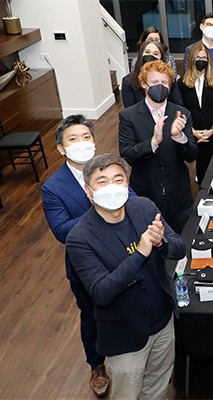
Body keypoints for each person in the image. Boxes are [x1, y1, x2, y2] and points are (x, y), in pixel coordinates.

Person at [66, 153, 186, 399]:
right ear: (89, 191)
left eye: (118, 179)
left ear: (127, 183)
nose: (112, 186)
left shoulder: (144, 207)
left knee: (158, 388)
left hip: (163, 323)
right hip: (125, 337)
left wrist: (162, 241)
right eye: (102, 181)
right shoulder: (79, 238)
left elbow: (179, 247)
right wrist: (141, 252)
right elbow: (101, 291)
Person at [41, 115, 125, 397]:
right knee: (92, 317)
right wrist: (102, 207)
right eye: (73, 139)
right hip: (85, 265)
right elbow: (62, 231)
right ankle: (96, 365)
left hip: (122, 254)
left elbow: (131, 199)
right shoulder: (53, 187)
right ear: (61, 149)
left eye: (86, 137)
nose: (81, 143)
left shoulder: (108, 169)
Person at [119, 60, 198, 233]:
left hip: (179, 196)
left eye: (164, 83)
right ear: (143, 84)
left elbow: (191, 155)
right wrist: (153, 142)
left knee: (182, 242)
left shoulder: (182, 113)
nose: (159, 86)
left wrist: (179, 137)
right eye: (154, 82)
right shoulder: (128, 116)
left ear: (170, 86)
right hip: (146, 196)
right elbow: (127, 156)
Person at [178, 42, 213, 186]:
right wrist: (193, 132)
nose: (202, 60)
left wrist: (211, 130)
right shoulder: (182, 83)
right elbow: (182, 109)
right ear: (192, 59)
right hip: (195, 135)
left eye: (205, 58)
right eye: (198, 57)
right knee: (202, 172)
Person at [122, 39, 183, 108]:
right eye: (147, 52)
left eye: (156, 54)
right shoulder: (128, 81)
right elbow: (130, 111)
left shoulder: (169, 78)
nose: (151, 55)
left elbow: (178, 105)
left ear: (161, 58)